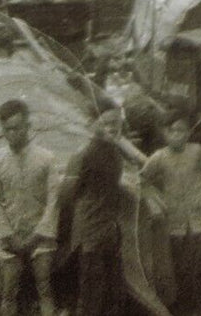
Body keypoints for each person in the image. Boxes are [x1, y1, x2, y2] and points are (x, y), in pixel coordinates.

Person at [140, 113, 201, 316]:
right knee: (181, 268)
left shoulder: (197, 152)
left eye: (182, 130)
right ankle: (185, 308)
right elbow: (142, 181)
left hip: (200, 219)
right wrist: (155, 202)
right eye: (173, 131)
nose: (177, 135)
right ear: (166, 133)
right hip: (175, 222)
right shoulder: (159, 157)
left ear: (188, 133)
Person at [0, 98, 61, 316]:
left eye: (17, 128)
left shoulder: (46, 159)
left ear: (28, 126)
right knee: (8, 293)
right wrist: (11, 237)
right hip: (10, 239)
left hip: (41, 237)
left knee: (45, 289)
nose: (12, 134)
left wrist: (37, 236)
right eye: (7, 129)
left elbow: (53, 201)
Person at [58, 108, 125, 316]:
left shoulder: (116, 154)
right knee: (91, 287)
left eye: (116, 122)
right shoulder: (84, 154)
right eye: (107, 122)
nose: (112, 127)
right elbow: (68, 194)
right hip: (90, 230)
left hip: (108, 229)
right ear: (95, 124)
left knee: (111, 286)